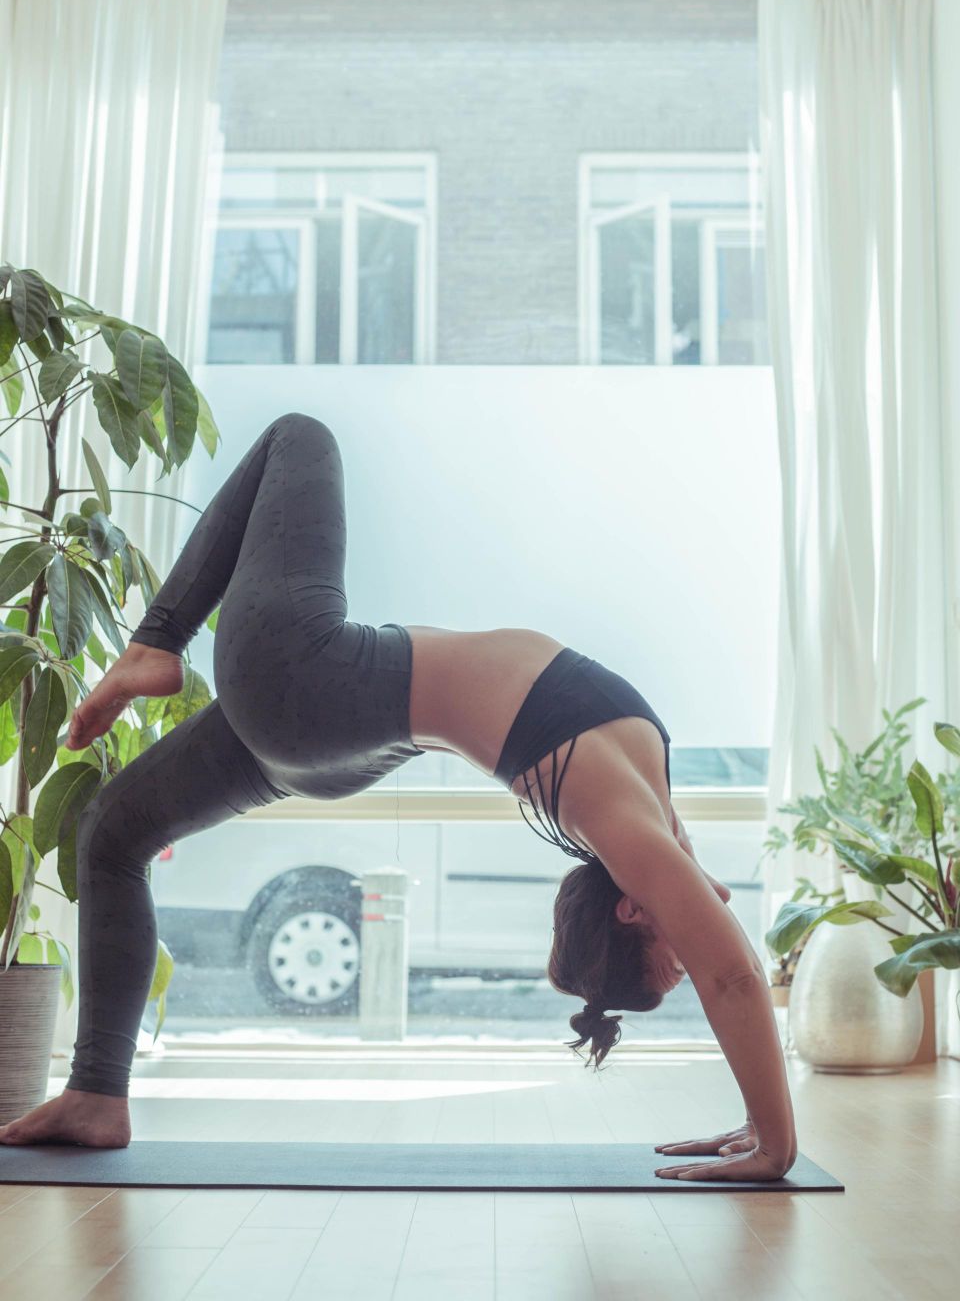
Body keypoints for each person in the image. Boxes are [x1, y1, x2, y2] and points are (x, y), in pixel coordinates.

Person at [0, 412, 797, 1181]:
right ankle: (96, 1095)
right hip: (333, 737)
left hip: (316, 685)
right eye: (677, 964)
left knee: (298, 436)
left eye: (673, 957)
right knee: (110, 834)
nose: (693, 949)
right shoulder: (644, 821)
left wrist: (776, 1142)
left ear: (630, 908)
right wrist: (760, 1119)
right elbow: (718, 921)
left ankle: (154, 644)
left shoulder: (621, 822)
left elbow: (731, 976)